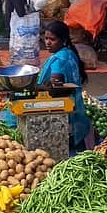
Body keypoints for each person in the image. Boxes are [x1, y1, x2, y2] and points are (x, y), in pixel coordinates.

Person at [38, 21, 93, 149]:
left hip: (62, 106)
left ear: (62, 40)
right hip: (75, 103)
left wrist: (34, 87)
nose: (47, 42)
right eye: (46, 38)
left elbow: (56, 89)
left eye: (52, 39)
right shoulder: (69, 53)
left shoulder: (59, 60)